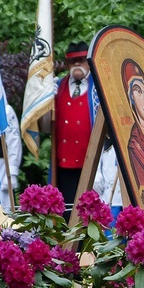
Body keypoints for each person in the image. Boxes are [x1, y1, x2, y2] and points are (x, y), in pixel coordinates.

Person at [53, 41, 99, 216]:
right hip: (64, 164)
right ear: (67, 64)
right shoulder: (58, 86)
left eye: (81, 60)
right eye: (73, 62)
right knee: (66, 211)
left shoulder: (98, 88)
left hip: (90, 162)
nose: (77, 65)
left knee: (89, 212)